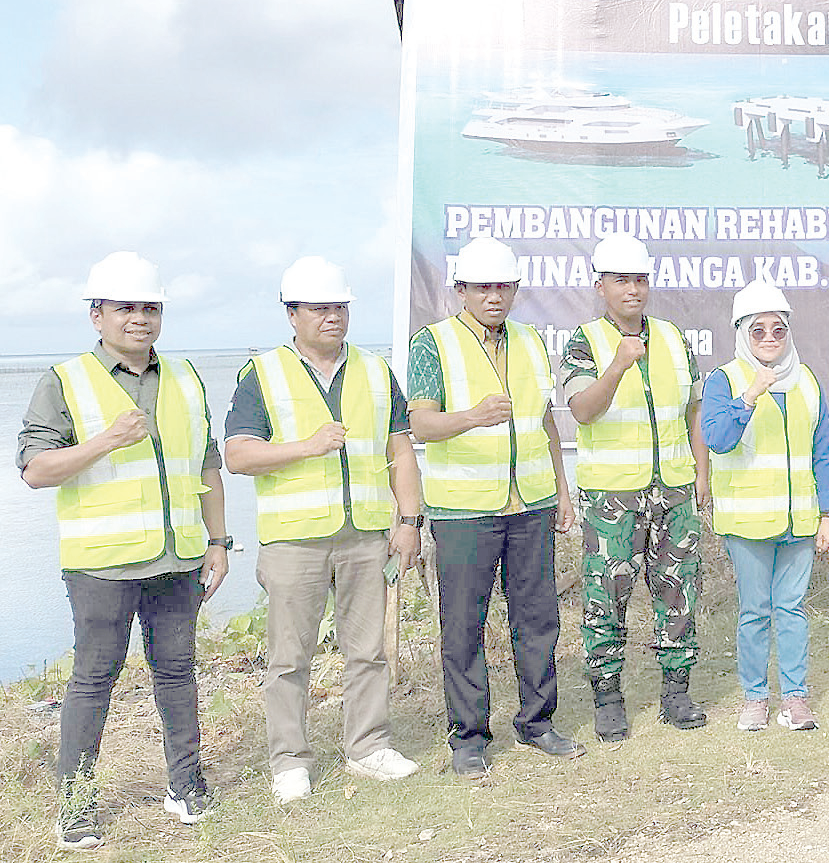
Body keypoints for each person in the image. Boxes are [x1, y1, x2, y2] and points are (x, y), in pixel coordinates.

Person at [18, 252, 230, 848]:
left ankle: (186, 787)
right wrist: (107, 440)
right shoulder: (64, 381)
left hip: (179, 559)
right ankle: (77, 808)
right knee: (93, 679)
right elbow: (35, 470)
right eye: (125, 307)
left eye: (149, 307)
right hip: (102, 566)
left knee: (177, 673)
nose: (139, 318)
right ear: (97, 316)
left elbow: (207, 463)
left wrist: (218, 541)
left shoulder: (186, 378)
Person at [224, 257, 423, 804]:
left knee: (369, 650)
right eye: (318, 308)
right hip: (295, 540)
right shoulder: (261, 374)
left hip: (365, 534)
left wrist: (408, 522)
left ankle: (368, 747)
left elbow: (400, 451)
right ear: (292, 314)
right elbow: (237, 455)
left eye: (339, 307)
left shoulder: (377, 370)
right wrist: (306, 446)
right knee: (290, 657)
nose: (331, 317)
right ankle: (289, 761)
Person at [407, 236, 582, 778]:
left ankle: (537, 722)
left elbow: (546, 421)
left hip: (529, 504)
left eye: (503, 286)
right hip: (464, 511)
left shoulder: (530, 341)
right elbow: (420, 424)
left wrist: (561, 487)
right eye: (482, 287)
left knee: (538, 618)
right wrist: (472, 416)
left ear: (515, 290)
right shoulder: (432, 343)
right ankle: (469, 737)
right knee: (462, 625)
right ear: (461, 290)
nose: (493, 296)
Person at [561, 235, 710, 739]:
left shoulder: (671, 337)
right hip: (613, 498)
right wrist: (619, 365)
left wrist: (700, 474)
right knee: (607, 597)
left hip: (673, 491)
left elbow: (693, 411)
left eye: (640, 280)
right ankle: (608, 697)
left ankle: (676, 691)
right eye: (621, 280)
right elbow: (582, 410)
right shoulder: (584, 341)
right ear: (600, 285)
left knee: (678, 592)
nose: (633, 290)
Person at [702, 281, 829, 731]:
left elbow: (823, 451)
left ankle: (796, 697)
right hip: (747, 522)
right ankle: (755, 697)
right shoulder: (724, 380)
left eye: (778, 330)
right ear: (742, 332)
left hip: (799, 522)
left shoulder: (806, 380)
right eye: (758, 330)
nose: (769, 338)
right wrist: (749, 396)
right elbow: (717, 441)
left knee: (792, 609)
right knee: (754, 612)